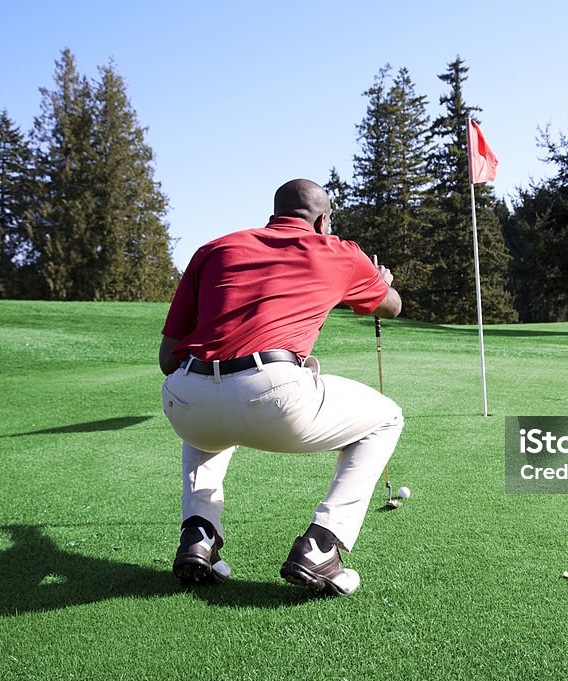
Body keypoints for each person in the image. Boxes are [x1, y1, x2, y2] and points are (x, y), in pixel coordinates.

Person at [158, 178, 403, 597]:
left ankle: (198, 536)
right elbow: (392, 306)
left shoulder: (214, 250)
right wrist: (378, 278)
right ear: (323, 220)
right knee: (386, 418)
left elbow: (168, 359)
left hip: (187, 398)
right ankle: (321, 545)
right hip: (273, 396)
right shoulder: (340, 252)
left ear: (274, 214)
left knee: (204, 421)